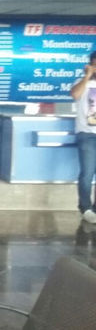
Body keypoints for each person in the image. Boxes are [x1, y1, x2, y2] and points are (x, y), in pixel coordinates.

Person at [70, 51, 96, 223]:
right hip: (87, 134)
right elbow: (75, 94)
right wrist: (87, 76)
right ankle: (85, 207)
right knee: (87, 172)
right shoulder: (82, 83)